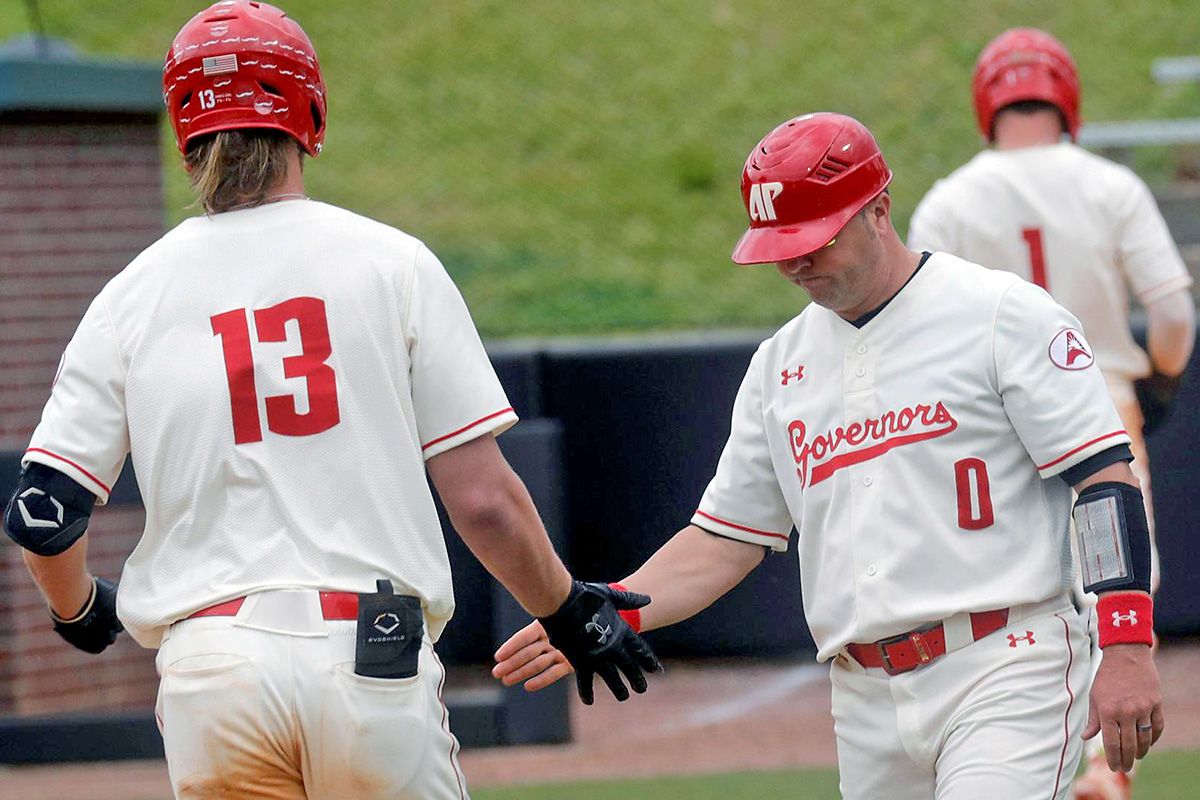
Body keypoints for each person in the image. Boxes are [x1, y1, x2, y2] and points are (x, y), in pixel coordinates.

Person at [1, 2, 657, 798]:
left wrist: (80, 611)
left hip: (209, 667)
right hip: (367, 650)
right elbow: (484, 501)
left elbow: (42, 512)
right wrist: (565, 610)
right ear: (309, 111)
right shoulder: (394, 264)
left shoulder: (129, 296)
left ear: (186, 132)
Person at [492, 111, 1165, 800]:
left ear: (879, 208)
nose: (794, 261)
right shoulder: (779, 365)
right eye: (779, 244)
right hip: (864, 694)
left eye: (814, 238)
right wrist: (612, 607)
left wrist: (1126, 644)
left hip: (1006, 661)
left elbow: (1104, 483)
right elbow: (725, 538)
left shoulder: (1001, 314)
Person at [907, 28, 1195, 800]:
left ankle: (1017, 766)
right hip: (1102, 410)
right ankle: (1105, 769)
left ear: (985, 104)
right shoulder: (1110, 186)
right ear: (1066, 98)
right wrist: (1161, 381)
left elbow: (916, 329)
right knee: (1122, 580)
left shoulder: (949, 198)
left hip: (993, 430)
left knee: (1018, 599)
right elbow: (1173, 311)